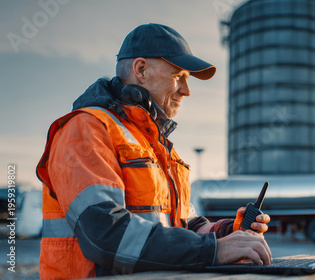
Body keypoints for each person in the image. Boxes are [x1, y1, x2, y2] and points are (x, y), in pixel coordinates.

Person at [36, 23, 272, 279]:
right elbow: (106, 236)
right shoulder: (85, 129)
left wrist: (228, 233)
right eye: (178, 76)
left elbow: (183, 226)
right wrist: (213, 250)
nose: (186, 90)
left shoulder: (155, 145)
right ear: (141, 70)